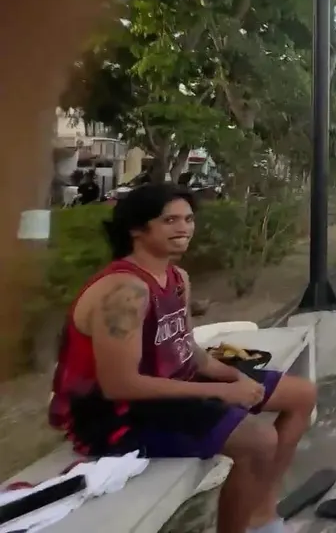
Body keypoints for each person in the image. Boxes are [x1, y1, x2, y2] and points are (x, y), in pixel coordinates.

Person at [48, 183, 317, 533]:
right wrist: (221, 392)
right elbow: (120, 385)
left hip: (171, 387)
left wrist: (234, 377)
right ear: (137, 229)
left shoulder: (177, 279)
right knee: (258, 441)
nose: (184, 228)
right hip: (116, 416)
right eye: (169, 220)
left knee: (301, 394)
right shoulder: (124, 291)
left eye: (188, 219)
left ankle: (261, 513)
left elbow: (187, 348)